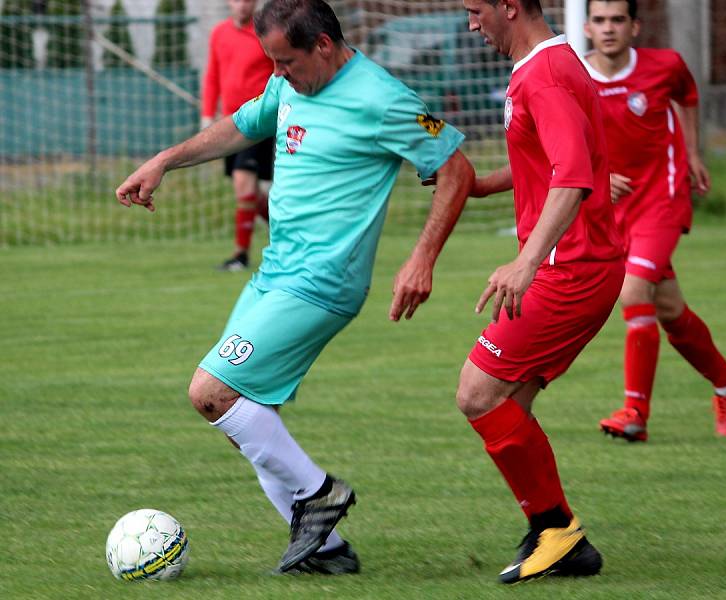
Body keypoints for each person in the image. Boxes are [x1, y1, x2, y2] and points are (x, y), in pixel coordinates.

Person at [117, 0, 474, 575]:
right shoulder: (289, 87)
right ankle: (325, 552)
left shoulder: (382, 98)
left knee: (211, 392)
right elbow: (240, 124)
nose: (278, 73)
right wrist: (165, 159)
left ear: (324, 46)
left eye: (287, 61)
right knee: (246, 416)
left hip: (323, 281)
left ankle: (321, 494)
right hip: (275, 273)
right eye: (272, 62)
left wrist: (421, 258)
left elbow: (455, 167)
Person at [457, 0, 624, 585]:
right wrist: (481, 186)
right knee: (508, 409)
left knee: (478, 392)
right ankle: (556, 534)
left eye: (476, 10)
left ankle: (557, 529)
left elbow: (573, 174)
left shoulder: (546, 73)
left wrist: (526, 261)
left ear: (510, 6)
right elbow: (548, 160)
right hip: (580, 263)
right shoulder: (542, 65)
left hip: (569, 268)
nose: (471, 23)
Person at [582, 0, 726, 442]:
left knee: (632, 292)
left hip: (662, 197)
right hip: (615, 210)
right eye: (600, 20)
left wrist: (693, 152)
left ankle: (635, 413)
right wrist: (597, 182)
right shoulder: (576, 77)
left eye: (618, 19)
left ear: (634, 27)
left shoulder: (665, 66)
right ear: (587, 27)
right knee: (669, 310)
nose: (609, 28)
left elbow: (688, 95)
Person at [202, 0, 275, 271]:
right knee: (250, 192)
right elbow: (212, 76)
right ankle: (289, 228)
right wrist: (207, 115)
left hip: (259, 120)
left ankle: (240, 256)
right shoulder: (219, 33)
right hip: (228, 124)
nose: (241, 5)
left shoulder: (267, 32)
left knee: (244, 184)